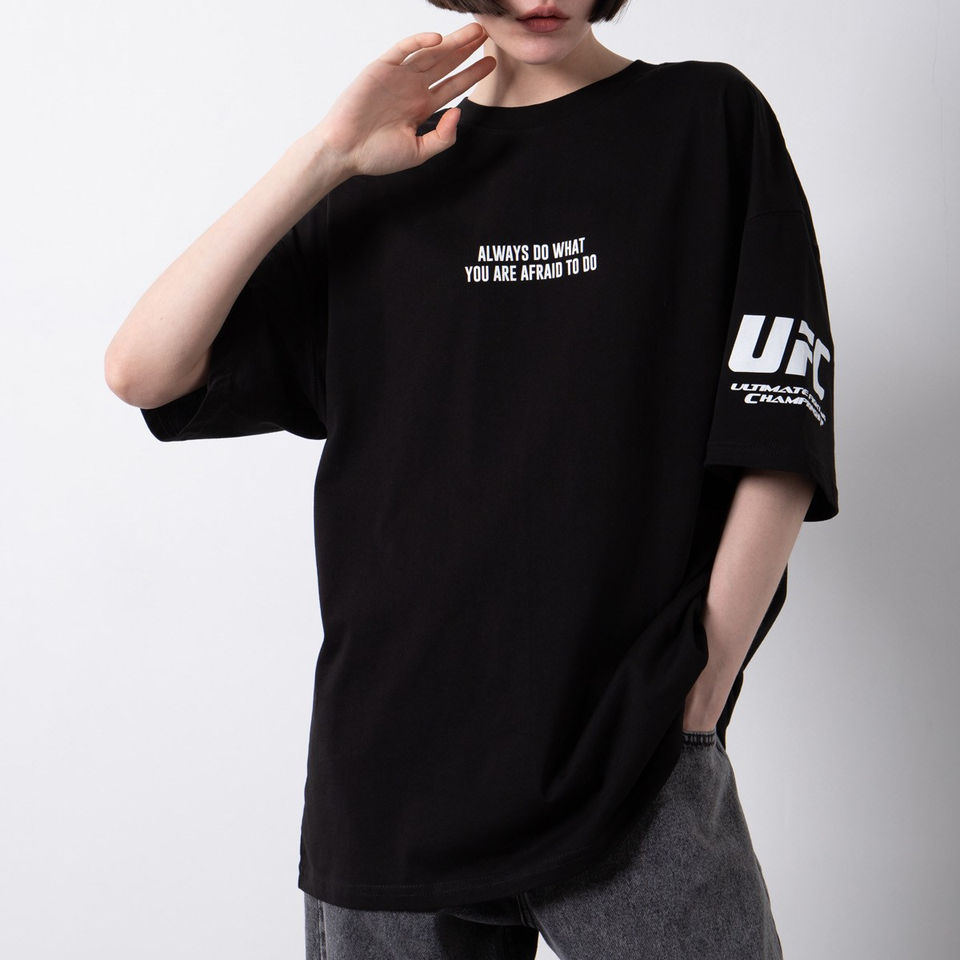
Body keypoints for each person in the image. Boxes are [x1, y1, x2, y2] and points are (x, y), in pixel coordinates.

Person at [104, 1, 838, 957]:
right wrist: (327, 154)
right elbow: (143, 370)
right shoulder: (381, 172)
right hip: (391, 773)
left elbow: (778, 419)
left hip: (634, 759)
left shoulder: (706, 122)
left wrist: (703, 681)